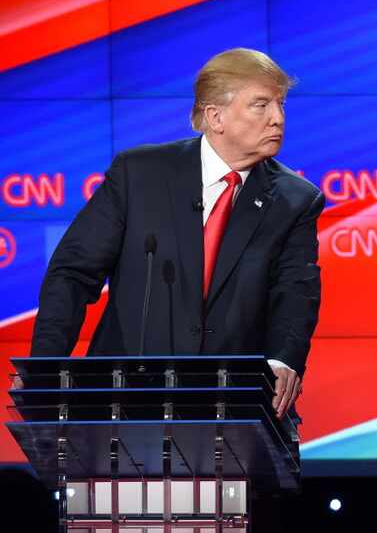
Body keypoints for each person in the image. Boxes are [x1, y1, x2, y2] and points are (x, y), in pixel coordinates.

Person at [23, 48, 324, 418]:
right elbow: (73, 273)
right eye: (261, 105)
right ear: (216, 116)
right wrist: (45, 367)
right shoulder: (140, 174)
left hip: (232, 406)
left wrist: (283, 361)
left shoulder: (295, 199)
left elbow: (296, 294)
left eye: (280, 105)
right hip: (123, 400)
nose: (278, 118)